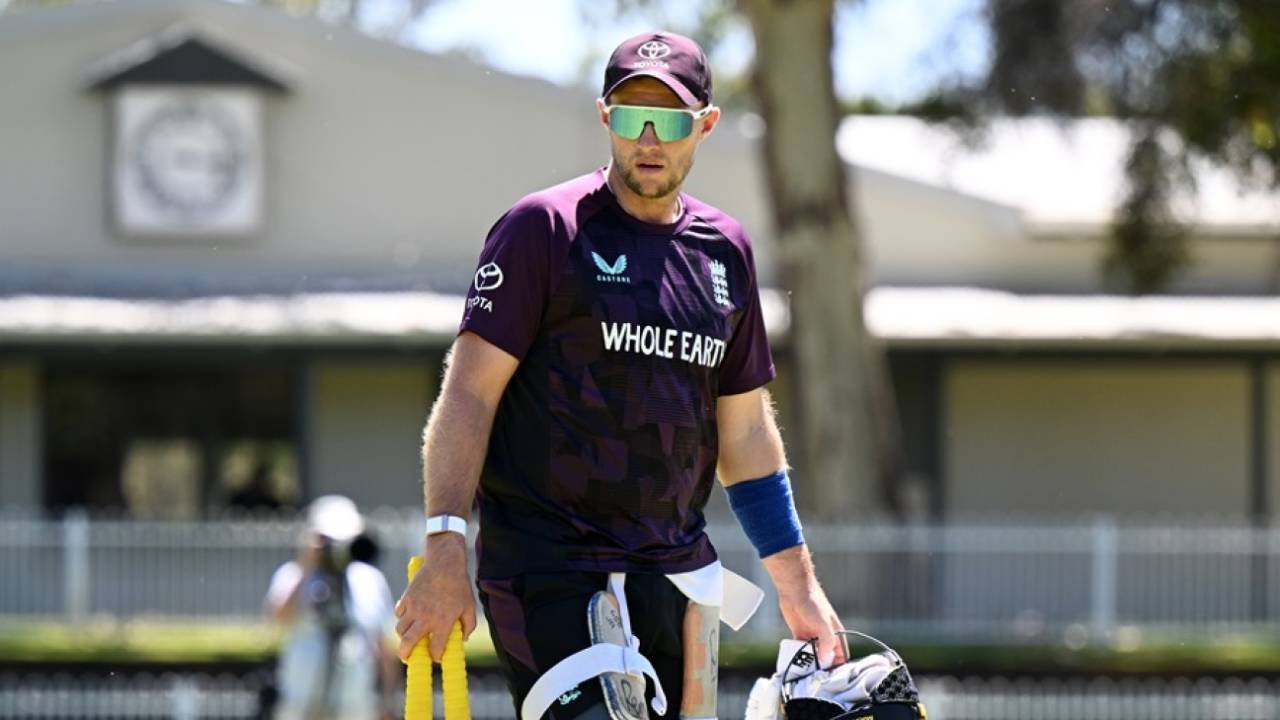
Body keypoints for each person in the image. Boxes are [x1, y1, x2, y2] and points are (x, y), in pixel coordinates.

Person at [395, 30, 844, 719]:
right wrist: (446, 542)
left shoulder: (725, 253)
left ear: (705, 125)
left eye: (669, 121)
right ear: (606, 116)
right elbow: (468, 396)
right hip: (548, 566)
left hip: (675, 577)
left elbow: (747, 433)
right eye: (632, 117)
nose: (649, 140)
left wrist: (797, 583)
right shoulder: (543, 230)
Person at [265, 495, 399, 720]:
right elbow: (278, 618)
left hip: (354, 704)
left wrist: (388, 700)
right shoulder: (294, 574)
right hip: (300, 702)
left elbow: (384, 646)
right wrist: (306, 565)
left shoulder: (370, 579)